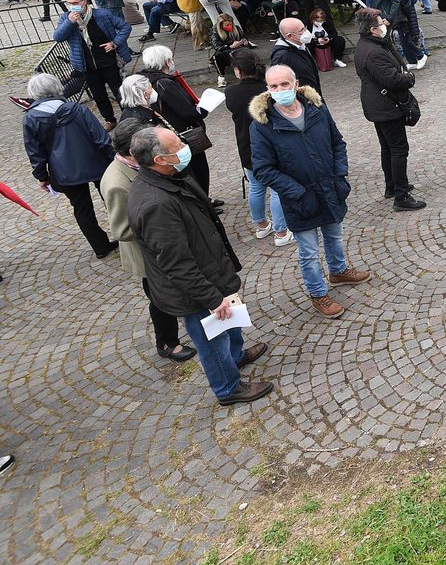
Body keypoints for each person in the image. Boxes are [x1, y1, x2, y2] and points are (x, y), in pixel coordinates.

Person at [127, 127, 274, 406]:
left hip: (210, 273)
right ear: (160, 160)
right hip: (194, 292)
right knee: (212, 339)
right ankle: (228, 388)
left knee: (229, 326)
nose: (184, 146)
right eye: (177, 145)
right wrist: (210, 297)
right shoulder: (155, 204)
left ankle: (236, 356)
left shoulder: (170, 178)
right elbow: (176, 264)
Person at [250, 65, 371, 318]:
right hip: (299, 199)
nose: (280, 90)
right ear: (268, 90)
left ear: (295, 85)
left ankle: (338, 271)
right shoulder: (262, 125)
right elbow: (263, 169)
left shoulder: (317, 109)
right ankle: (318, 294)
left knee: (334, 236)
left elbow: (337, 142)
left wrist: (340, 174)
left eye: (284, 84)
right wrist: (296, 191)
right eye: (274, 86)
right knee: (309, 253)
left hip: (329, 188)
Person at [100, 118, 195, 362]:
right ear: (133, 151)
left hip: (167, 244)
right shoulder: (116, 182)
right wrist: (160, 227)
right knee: (160, 297)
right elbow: (121, 230)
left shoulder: (142, 166)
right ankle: (167, 343)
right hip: (149, 255)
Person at [22, 73, 118, 259]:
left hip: (64, 172)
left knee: (82, 208)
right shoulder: (76, 109)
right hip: (96, 163)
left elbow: (35, 152)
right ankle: (128, 234)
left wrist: (42, 177)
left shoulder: (31, 118)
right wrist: (115, 158)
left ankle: (100, 246)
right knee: (112, 198)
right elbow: (101, 138)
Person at [352, 8, 428, 211]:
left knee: (387, 147)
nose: (385, 25)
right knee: (398, 149)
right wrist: (409, 78)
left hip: (378, 105)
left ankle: (392, 186)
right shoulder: (374, 52)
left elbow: (391, 54)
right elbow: (393, 79)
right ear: (372, 30)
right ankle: (401, 196)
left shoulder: (366, 44)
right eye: (381, 24)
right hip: (386, 106)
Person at [224, 50, 293, 245]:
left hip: (246, 146)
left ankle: (262, 225)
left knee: (256, 187)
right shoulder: (268, 90)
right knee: (277, 189)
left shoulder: (231, 93)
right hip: (271, 145)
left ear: (238, 71)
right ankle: (281, 232)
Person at [139, 45, 217, 198]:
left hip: (170, 132)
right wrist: (203, 109)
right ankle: (202, 201)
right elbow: (187, 111)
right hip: (183, 133)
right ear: (166, 62)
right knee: (197, 169)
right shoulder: (165, 83)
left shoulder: (148, 80)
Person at [54, 0, 132, 129]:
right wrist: (69, 22)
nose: (72, 6)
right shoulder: (66, 18)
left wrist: (114, 43)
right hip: (87, 65)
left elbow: (125, 27)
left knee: (119, 91)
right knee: (99, 95)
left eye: (75, 2)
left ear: (84, 2)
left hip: (107, 61)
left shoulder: (102, 14)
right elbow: (58, 37)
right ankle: (110, 119)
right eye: (69, 3)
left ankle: (129, 118)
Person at [271, 17, 322, 94]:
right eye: (301, 30)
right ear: (289, 36)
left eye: (305, 28)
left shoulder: (302, 46)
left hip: (314, 96)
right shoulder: (282, 56)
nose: (306, 32)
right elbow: (278, 85)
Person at [210, 13, 253, 88]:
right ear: (221, 26)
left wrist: (245, 42)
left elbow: (244, 39)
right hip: (225, 52)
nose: (229, 26)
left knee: (245, 53)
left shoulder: (237, 28)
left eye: (230, 24)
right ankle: (221, 77)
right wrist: (230, 46)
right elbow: (217, 46)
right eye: (226, 25)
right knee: (217, 56)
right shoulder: (216, 32)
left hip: (238, 51)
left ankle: (244, 74)